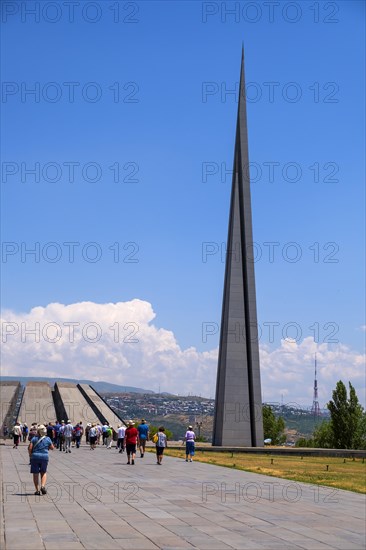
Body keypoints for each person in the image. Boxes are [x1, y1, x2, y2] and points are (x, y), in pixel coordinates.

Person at [28, 424, 54, 495]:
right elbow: (52, 447)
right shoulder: (48, 439)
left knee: (35, 474)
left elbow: (30, 448)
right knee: (43, 472)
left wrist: (30, 455)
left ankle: (37, 490)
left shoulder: (34, 438)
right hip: (44, 457)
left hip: (35, 457)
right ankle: (42, 486)